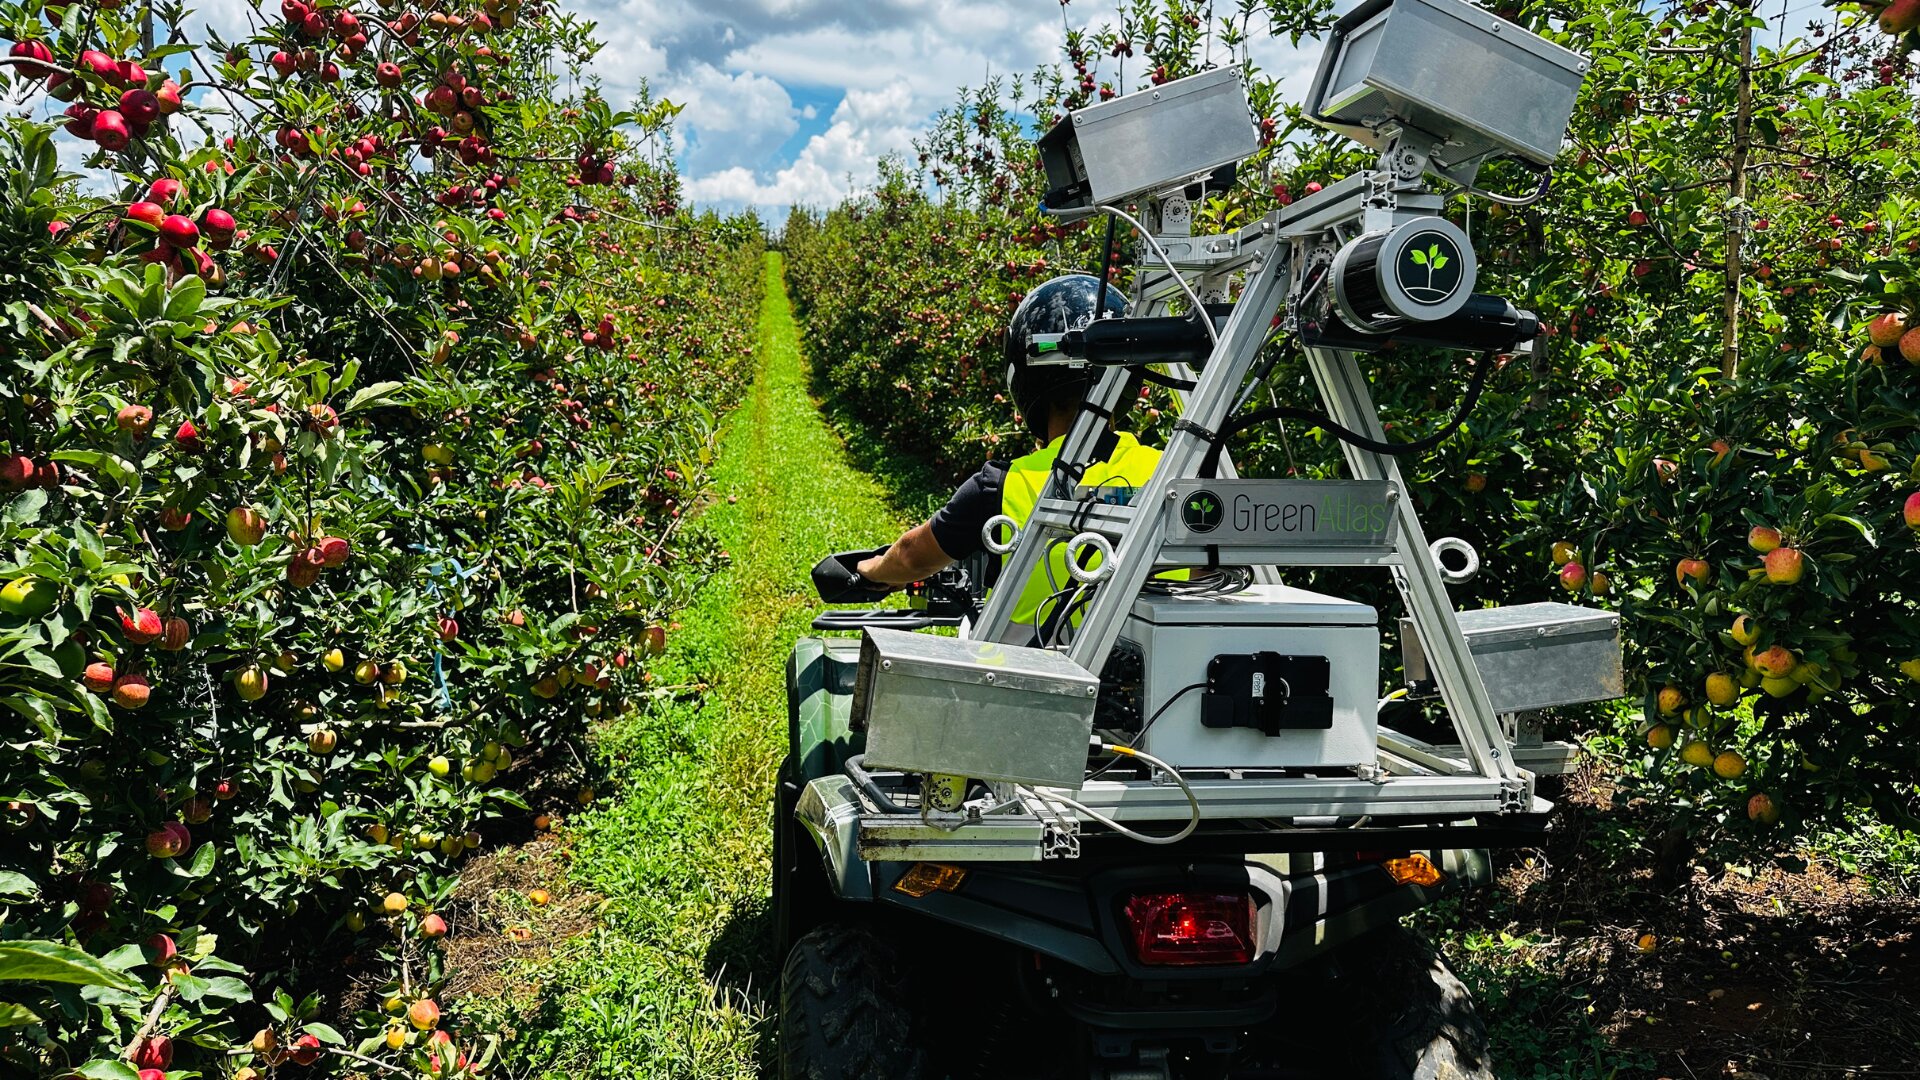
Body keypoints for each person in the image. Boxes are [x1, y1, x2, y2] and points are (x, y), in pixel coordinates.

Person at [833, 273, 1168, 643]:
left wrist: (869, 571)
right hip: (1159, 692)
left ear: (1025, 382)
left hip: (1028, 688)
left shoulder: (1003, 486)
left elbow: (913, 557)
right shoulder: (1174, 474)